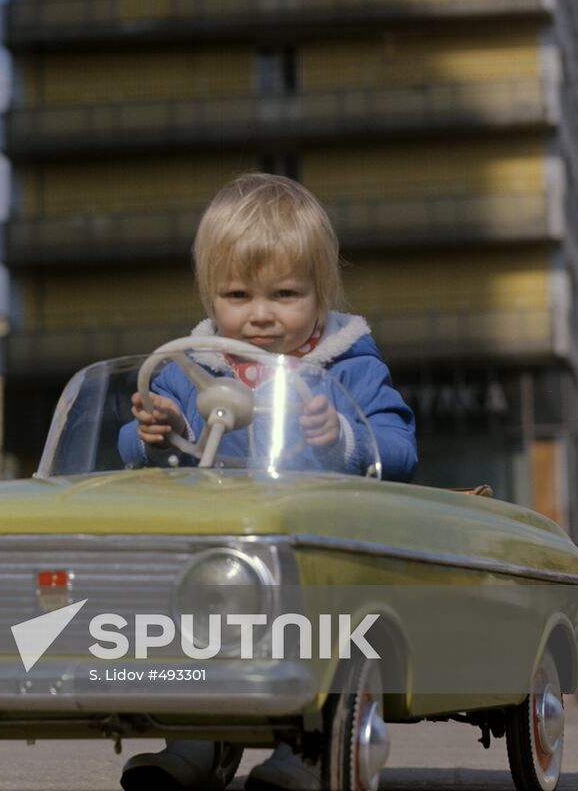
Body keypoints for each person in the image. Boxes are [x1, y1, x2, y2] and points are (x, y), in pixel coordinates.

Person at [118, 173, 417, 791]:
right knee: (191, 627)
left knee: (314, 632)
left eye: (284, 294)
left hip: (315, 551)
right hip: (220, 551)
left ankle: (307, 750)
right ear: (210, 295)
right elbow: (130, 448)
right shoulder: (189, 368)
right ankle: (194, 742)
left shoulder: (350, 365)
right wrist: (158, 431)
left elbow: (400, 447)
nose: (259, 315)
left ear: (320, 294)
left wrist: (344, 434)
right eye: (237, 295)